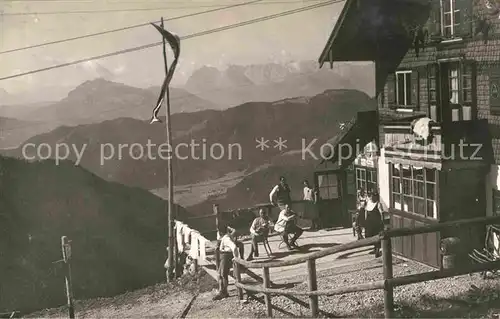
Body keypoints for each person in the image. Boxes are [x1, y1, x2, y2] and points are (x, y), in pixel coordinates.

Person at [213, 225, 241, 300]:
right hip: (223, 255)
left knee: (223, 274)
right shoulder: (227, 236)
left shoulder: (226, 238)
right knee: (220, 274)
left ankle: (224, 292)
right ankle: (222, 291)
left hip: (226, 256)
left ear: (221, 232)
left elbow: (234, 247)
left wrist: (236, 258)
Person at [364, 192, 384, 257]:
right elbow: (366, 212)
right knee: (370, 235)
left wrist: (382, 221)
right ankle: (375, 248)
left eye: (373, 197)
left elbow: (381, 213)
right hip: (369, 222)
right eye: (371, 196)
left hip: (376, 222)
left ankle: (377, 249)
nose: (372, 198)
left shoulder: (378, 204)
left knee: (376, 235)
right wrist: (365, 220)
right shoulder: (369, 203)